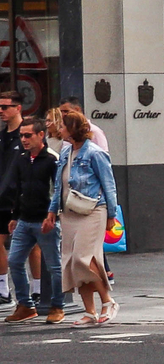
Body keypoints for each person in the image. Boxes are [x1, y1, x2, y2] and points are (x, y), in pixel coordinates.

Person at [46, 105, 114, 325]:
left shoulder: (95, 153)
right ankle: (90, 311)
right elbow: (59, 185)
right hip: (70, 211)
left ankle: (107, 301)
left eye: (63, 125)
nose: (59, 127)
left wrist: (112, 215)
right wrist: (52, 211)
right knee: (73, 263)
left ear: (72, 128)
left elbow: (109, 185)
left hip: (93, 210)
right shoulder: (66, 152)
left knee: (82, 259)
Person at [4, 116, 61, 324]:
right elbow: (19, 189)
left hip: (45, 220)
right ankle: (25, 305)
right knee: (15, 261)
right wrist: (15, 215)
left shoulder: (52, 159)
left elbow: (58, 190)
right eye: (21, 136)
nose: (24, 140)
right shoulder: (21, 159)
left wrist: (52, 215)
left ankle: (57, 305)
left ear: (41, 135)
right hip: (25, 220)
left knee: (54, 266)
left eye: (28, 135)